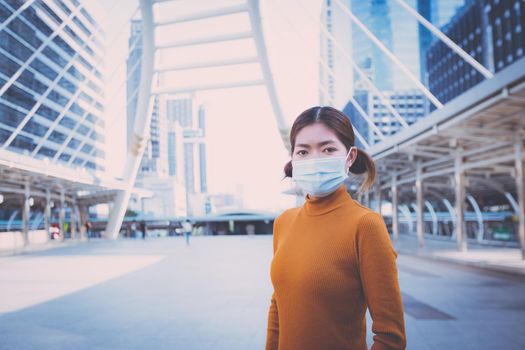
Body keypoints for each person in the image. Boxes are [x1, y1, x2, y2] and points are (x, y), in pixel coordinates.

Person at [265, 106, 406, 350]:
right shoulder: (283, 222)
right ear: (293, 158)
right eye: (303, 151)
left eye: (328, 149)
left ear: (349, 157)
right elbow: (278, 305)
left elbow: (390, 337)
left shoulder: (366, 225)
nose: (315, 160)